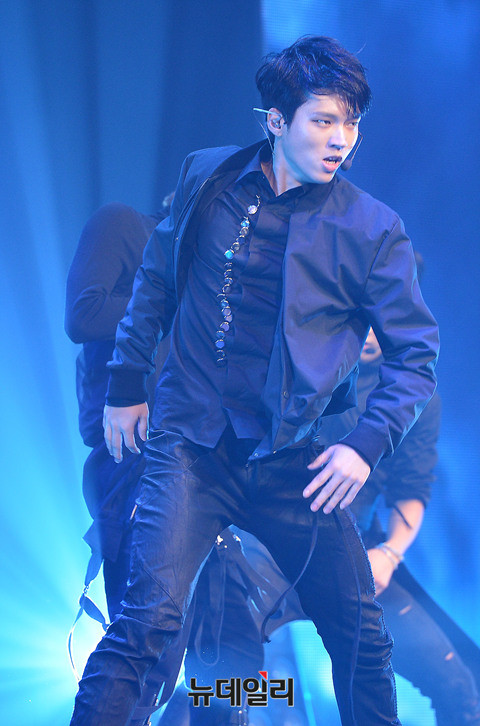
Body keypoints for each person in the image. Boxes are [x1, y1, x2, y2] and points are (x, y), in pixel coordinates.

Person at [69, 35, 439, 726]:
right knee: (148, 632)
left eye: (351, 123)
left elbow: (417, 359)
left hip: (290, 462)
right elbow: (149, 286)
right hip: (186, 451)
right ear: (276, 121)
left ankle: (228, 709)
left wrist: (364, 448)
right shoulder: (201, 182)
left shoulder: (370, 229)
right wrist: (125, 386)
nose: (341, 139)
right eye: (323, 120)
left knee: (342, 644)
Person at [65, 200, 264, 725]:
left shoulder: (225, 277)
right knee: (147, 657)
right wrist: (182, 295)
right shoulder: (125, 226)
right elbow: (83, 313)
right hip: (141, 466)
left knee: (236, 669)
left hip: (214, 477)